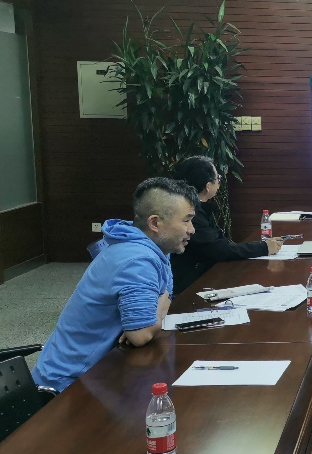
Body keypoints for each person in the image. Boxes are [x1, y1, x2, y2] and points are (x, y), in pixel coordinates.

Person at [32, 177, 197, 393]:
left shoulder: (152, 247)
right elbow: (141, 335)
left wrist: (151, 316)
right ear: (155, 223)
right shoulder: (137, 260)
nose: (192, 229)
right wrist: (148, 320)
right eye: (186, 221)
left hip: (103, 370)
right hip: (69, 385)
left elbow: (164, 298)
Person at [170, 155, 283, 294]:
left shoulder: (199, 208)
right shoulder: (192, 214)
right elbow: (218, 249)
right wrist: (263, 248)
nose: (219, 182)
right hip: (190, 286)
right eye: (218, 178)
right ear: (208, 186)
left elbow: (221, 243)